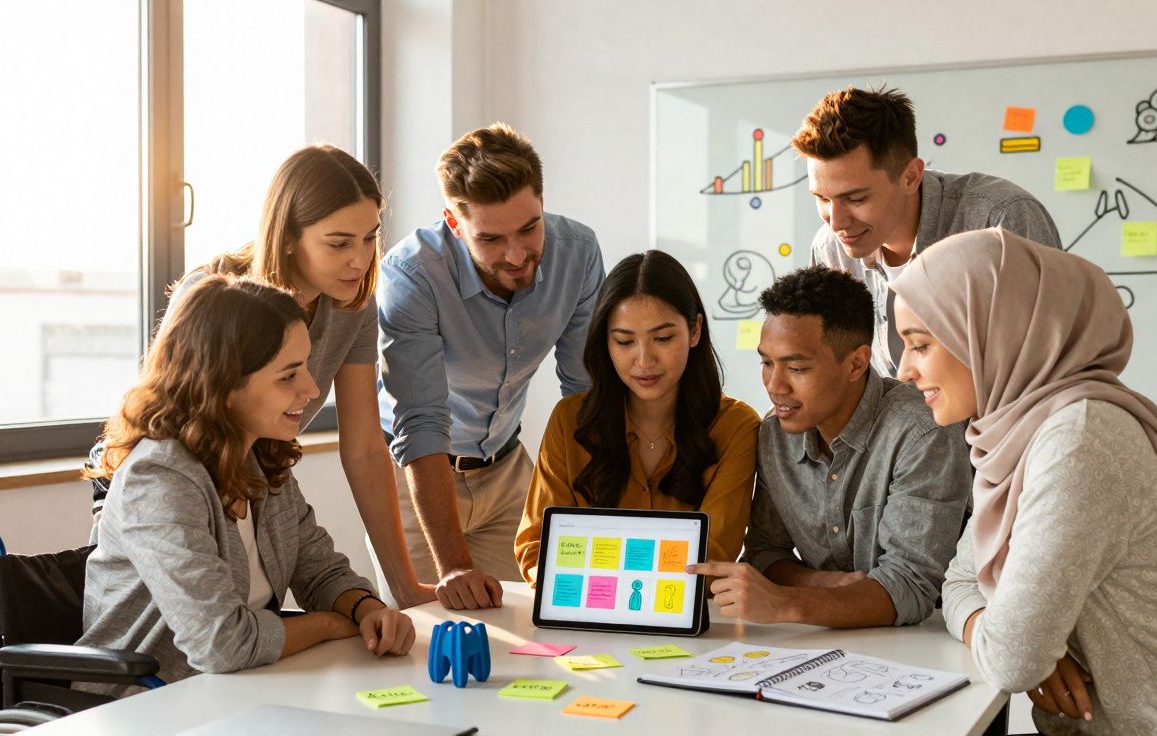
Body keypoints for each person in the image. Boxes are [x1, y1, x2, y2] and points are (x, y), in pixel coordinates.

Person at [891, 227, 1157, 734]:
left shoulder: (1076, 440)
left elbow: (1012, 660)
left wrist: (1020, 646)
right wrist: (1017, 640)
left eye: (920, 344)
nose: (905, 370)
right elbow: (959, 583)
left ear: (992, 332)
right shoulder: (1013, 435)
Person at [89, 145, 432, 609]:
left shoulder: (352, 304)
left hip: (255, 471)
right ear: (288, 236)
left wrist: (404, 587)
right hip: (172, 480)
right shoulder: (216, 295)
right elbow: (163, 418)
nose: (361, 260)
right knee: (205, 639)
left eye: (370, 238)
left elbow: (366, 447)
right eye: (339, 243)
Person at [80, 275, 415, 697]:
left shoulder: (259, 458)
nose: (311, 389)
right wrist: (329, 624)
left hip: (235, 693)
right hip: (143, 706)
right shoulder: (159, 478)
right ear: (223, 382)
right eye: (288, 376)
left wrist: (366, 608)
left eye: (306, 367)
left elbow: (318, 569)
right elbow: (221, 643)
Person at [376, 123, 604, 610]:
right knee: (428, 636)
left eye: (529, 228)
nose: (518, 255)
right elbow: (420, 424)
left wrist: (596, 519)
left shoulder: (578, 252)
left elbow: (585, 391)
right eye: (492, 239)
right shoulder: (411, 275)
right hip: (417, 475)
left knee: (531, 625)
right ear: (454, 225)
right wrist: (454, 566)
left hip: (507, 468)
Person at [688, 265, 971, 628]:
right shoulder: (776, 435)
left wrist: (786, 603)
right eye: (766, 362)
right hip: (819, 646)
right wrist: (825, 584)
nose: (775, 386)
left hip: (929, 645)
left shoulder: (921, 432)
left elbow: (909, 586)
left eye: (797, 368)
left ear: (856, 363)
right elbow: (765, 554)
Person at [514, 250, 759, 583]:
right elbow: (537, 548)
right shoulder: (570, 420)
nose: (644, 361)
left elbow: (712, 558)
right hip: (588, 620)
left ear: (695, 330)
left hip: (687, 626)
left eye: (662, 338)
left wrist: (593, 564)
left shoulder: (737, 427)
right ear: (606, 342)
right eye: (624, 341)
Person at [794, 85, 1062, 378]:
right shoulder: (829, 247)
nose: (836, 222)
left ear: (911, 176)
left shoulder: (1000, 218)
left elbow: (1047, 362)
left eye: (856, 199)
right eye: (822, 198)